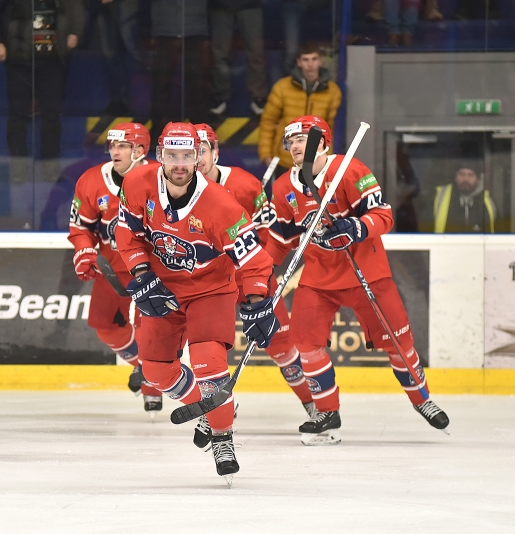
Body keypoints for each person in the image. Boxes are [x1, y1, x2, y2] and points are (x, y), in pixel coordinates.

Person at [265, 115, 450, 446]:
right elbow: (281, 238)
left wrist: (354, 227)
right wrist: (261, 273)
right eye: (289, 141)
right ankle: (326, 411)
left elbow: (384, 215)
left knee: (398, 342)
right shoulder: (282, 187)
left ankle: (422, 399)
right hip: (319, 277)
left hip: (368, 273)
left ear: (322, 143)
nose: (294, 146)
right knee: (305, 343)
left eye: (301, 139)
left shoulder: (349, 170)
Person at [115, 121, 279, 483]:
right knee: (156, 372)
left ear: (197, 158)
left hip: (210, 289)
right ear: (159, 155)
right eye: (171, 155)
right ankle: (207, 410)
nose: (179, 163)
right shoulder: (137, 184)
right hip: (163, 286)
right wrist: (141, 275)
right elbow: (127, 233)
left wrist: (256, 302)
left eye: (187, 156)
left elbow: (254, 260)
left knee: (209, 364)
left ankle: (222, 438)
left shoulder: (220, 205)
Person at [194, 123, 315, 438]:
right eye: (190, 153)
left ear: (215, 152)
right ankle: (215, 409)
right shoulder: (173, 191)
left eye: (202, 151)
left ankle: (314, 406)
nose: (196, 159)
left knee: (281, 347)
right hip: (204, 285)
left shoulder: (247, 186)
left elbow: (267, 236)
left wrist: (254, 270)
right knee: (206, 351)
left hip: (248, 277)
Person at [68, 122, 164, 412]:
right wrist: (85, 251)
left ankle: (154, 382)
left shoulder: (160, 178)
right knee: (105, 327)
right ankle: (143, 366)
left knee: (151, 327)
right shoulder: (91, 180)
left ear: (140, 150)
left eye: (122, 145)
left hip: (153, 267)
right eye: (112, 145)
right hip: (112, 267)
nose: (115, 151)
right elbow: (80, 226)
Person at [0, 0, 85, 227]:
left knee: (52, 114)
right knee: (17, 113)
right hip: (19, 56)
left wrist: (76, 31)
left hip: (53, 55)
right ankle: (18, 166)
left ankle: (50, 166)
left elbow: (76, 5)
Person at [258, 42, 341, 174]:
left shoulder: (333, 91)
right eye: (305, 60)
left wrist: (327, 158)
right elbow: (268, 122)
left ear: (320, 61)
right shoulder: (282, 87)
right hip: (285, 161)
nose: (310, 65)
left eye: (314, 59)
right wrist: (266, 154)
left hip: (317, 162)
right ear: (299, 62)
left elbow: (331, 128)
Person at [148, 0, 211, 149]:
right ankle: (160, 131)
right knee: (161, 84)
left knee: (198, 84)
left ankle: (200, 133)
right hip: (165, 28)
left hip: (196, 28)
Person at [208, 0, 268, 118]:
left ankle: (258, 98)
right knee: (219, 54)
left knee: (256, 53)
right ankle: (218, 98)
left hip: (250, 5)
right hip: (220, 6)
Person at [433, 164, 495, 233]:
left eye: (470, 175)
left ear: (478, 179)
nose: (465, 179)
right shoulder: (439, 197)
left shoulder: (488, 201)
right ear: (455, 177)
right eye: (461, 174)